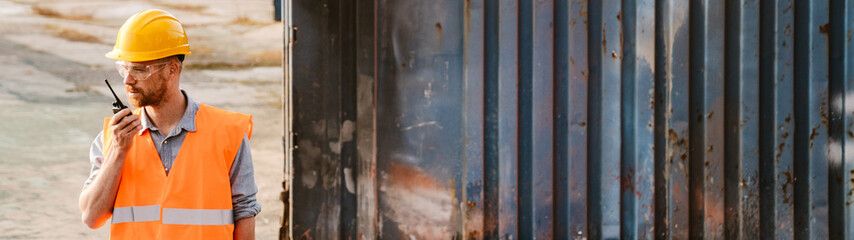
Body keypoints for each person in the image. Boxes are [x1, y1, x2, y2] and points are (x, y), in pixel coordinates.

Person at [78, 9, 260, 240]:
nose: (127, 80)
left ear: (172, 69)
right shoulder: (113, 137)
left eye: (139, 69)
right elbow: (91, 218)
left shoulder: (228, 132)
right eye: (124, 68)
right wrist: (118, 151)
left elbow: (244, 210)